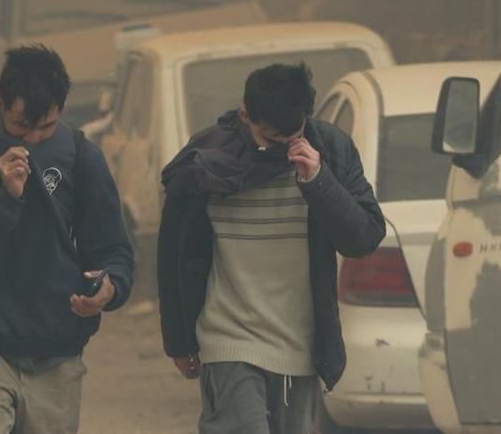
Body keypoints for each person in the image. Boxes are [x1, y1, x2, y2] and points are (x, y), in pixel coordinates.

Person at [157, 63, 385, 434]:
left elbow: (363, 239)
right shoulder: (204, 159)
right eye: (272, 139)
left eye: (292, 137)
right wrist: (178, 341)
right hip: (228, 339)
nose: (283, 149)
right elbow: (173, 255)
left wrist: (318, 181)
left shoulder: (330, 149)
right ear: (245, 115)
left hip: (301, 347)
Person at [0, 45, 134, 434]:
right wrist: (5, 198)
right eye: (20, 125)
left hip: (57, 353)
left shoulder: (82, 156)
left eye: (44, 127)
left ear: (61, 108)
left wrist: (108, 287)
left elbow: (114, 251)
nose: (31, 138)